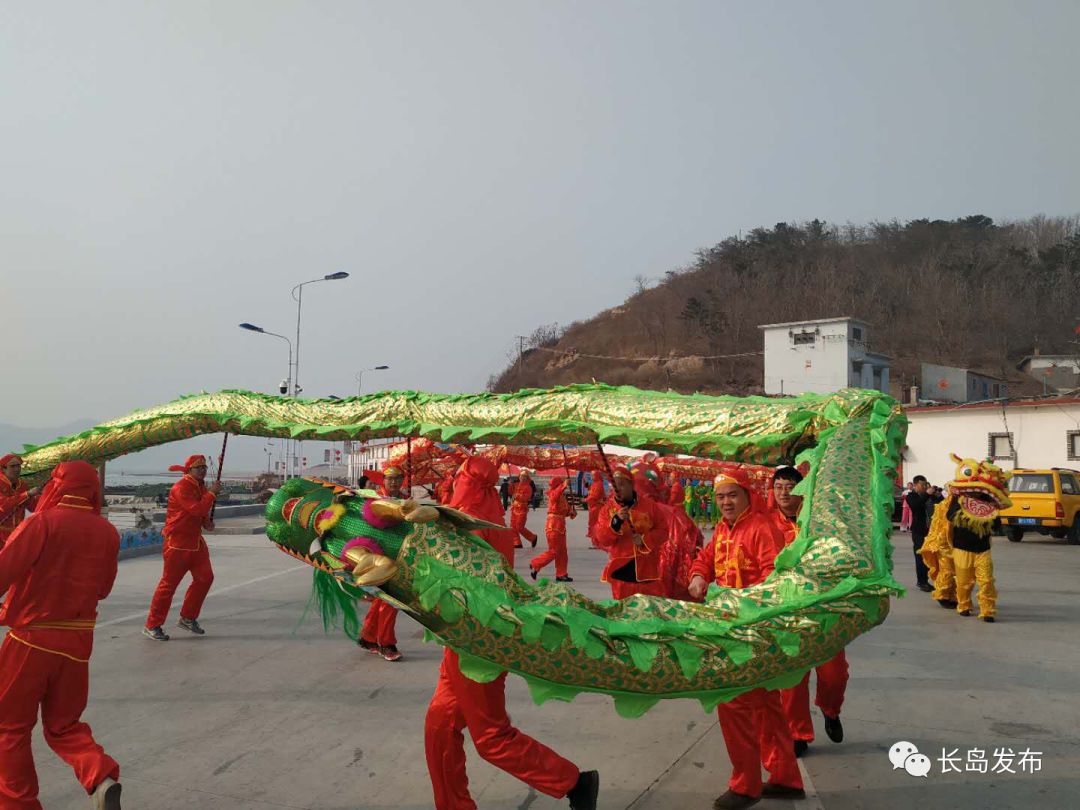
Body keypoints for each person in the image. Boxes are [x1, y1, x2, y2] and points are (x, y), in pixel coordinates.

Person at [427, 456, 599, 810]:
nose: (455, 480)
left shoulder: (472, 513)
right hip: (460, 637)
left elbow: (453, 574)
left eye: (459, 476)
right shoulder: (478, 504)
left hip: (478, 639)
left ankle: (574, 782)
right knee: (440, 726)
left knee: (491, 737)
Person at [0, 461, 123, 810]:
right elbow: (102, 589)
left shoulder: (42, 523)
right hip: (78, 643)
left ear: (58, 485)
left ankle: (17, 804)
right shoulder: (107, 532)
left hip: (30, 641)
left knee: (10, 728)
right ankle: (100, 776)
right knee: (65, 726)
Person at [687, 469, 804, 810]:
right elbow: (706, 560)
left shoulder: (761, 528)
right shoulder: (724, 529)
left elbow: (776, 581)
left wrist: (740, 605)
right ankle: (785, 779)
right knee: (767, 707)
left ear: (748, 496)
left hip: (749, 633)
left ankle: (746, 786)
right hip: (738, 630)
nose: (725, 501)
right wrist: (697, 575)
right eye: (720, 496)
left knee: (734, 706)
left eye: (732, 495)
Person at [768, 466, 847, 757]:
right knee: (792, 679)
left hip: (824, 609)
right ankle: (797, 732)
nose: (784, 492)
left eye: (789, 486)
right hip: (786, 613)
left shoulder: (821, 522)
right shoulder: (765, 525)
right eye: (778, 487)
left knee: (834, 674)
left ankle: (830, 709)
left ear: (802, 490)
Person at [144, 455, 220, 641]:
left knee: (205, 578)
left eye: (203, 467)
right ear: (189, 470)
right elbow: (195, 509)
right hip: (177, 543)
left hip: (196, 542)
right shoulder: (181, 487)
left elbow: (199, 514)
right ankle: (152, 624)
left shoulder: (199, 486)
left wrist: (207, 523)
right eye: (198, 467)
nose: (202, 470)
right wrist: (212, 494)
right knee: (169, 585)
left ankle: (188, 617)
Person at [593, 464, 669, 599]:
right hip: (620, 570)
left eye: (621, 485)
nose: (617, 489)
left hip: (647, 569)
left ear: (631, 485)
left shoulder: (649, 506)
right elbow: (601, 538)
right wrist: (616, 522)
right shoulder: (608, 509)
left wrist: (645, 539)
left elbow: (664, 530)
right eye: (614, 485)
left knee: (646, 612)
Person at [358, 465, 408, 661]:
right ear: (383, 481)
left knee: (383, 599)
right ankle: (386, 644)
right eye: (390, 479)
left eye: (398, 478)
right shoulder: (374, 499)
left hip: (400, 555)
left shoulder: (404, 498)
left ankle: (368, 637)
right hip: (377, 555)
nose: (394, 482)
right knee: (391, 600)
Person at [529, 475, 577, 582]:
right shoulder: (553, 494)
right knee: (554, 551)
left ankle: (561, 574)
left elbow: (566, 512)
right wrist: (564, 485)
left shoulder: (562, 497)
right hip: (553, 526)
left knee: (562, 552)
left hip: (560, 526)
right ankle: (535, 563)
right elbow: (555, 496)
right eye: (560, 484)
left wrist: (571, 512)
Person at [905, 476, 942, 592]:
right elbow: (916, 506)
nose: (925, 487)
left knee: (935, 557)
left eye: (926, 485)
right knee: (921, 557)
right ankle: (922, 582)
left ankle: (938, 580)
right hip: (919, 531)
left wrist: (937, 495)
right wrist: (927, 494)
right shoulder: (911, 496)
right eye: (922, 485)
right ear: (915, 485)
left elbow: (942, 504)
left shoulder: (928, 495)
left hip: (932, 531)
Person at [0, 454, 41, 550]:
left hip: (17, 534)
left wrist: (44, 495)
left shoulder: (22, 485)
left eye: (18, 466)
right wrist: (27, 494)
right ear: (3, 469)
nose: (17, 469)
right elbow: (3, 505)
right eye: (13, 466)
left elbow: (31, 507)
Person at [508, 470, 538, 549]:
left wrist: (517, 496)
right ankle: (517, 543)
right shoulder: (516, 484)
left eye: (525, 476)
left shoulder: (528, 487)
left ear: (527, 478)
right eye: (521, 476)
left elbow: (526, 498)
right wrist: (510, 485)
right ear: (519, 477)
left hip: (522, 509)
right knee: (512, 526)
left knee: (519, 527)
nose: (523, 478)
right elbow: (511, 492)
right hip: (514, 508)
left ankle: (533, 537)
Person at [584, 474, 606, 549]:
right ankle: (595, 542)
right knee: (593, 524)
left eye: (593, 475)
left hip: (597, 507)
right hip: (593, 507)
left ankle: (597, 543)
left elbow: (595, 496)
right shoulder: (595, 484)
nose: (592, 476)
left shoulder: (599, 484)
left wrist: (586, 499)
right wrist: (586, 485)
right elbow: (591, 491)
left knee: (595, 525)